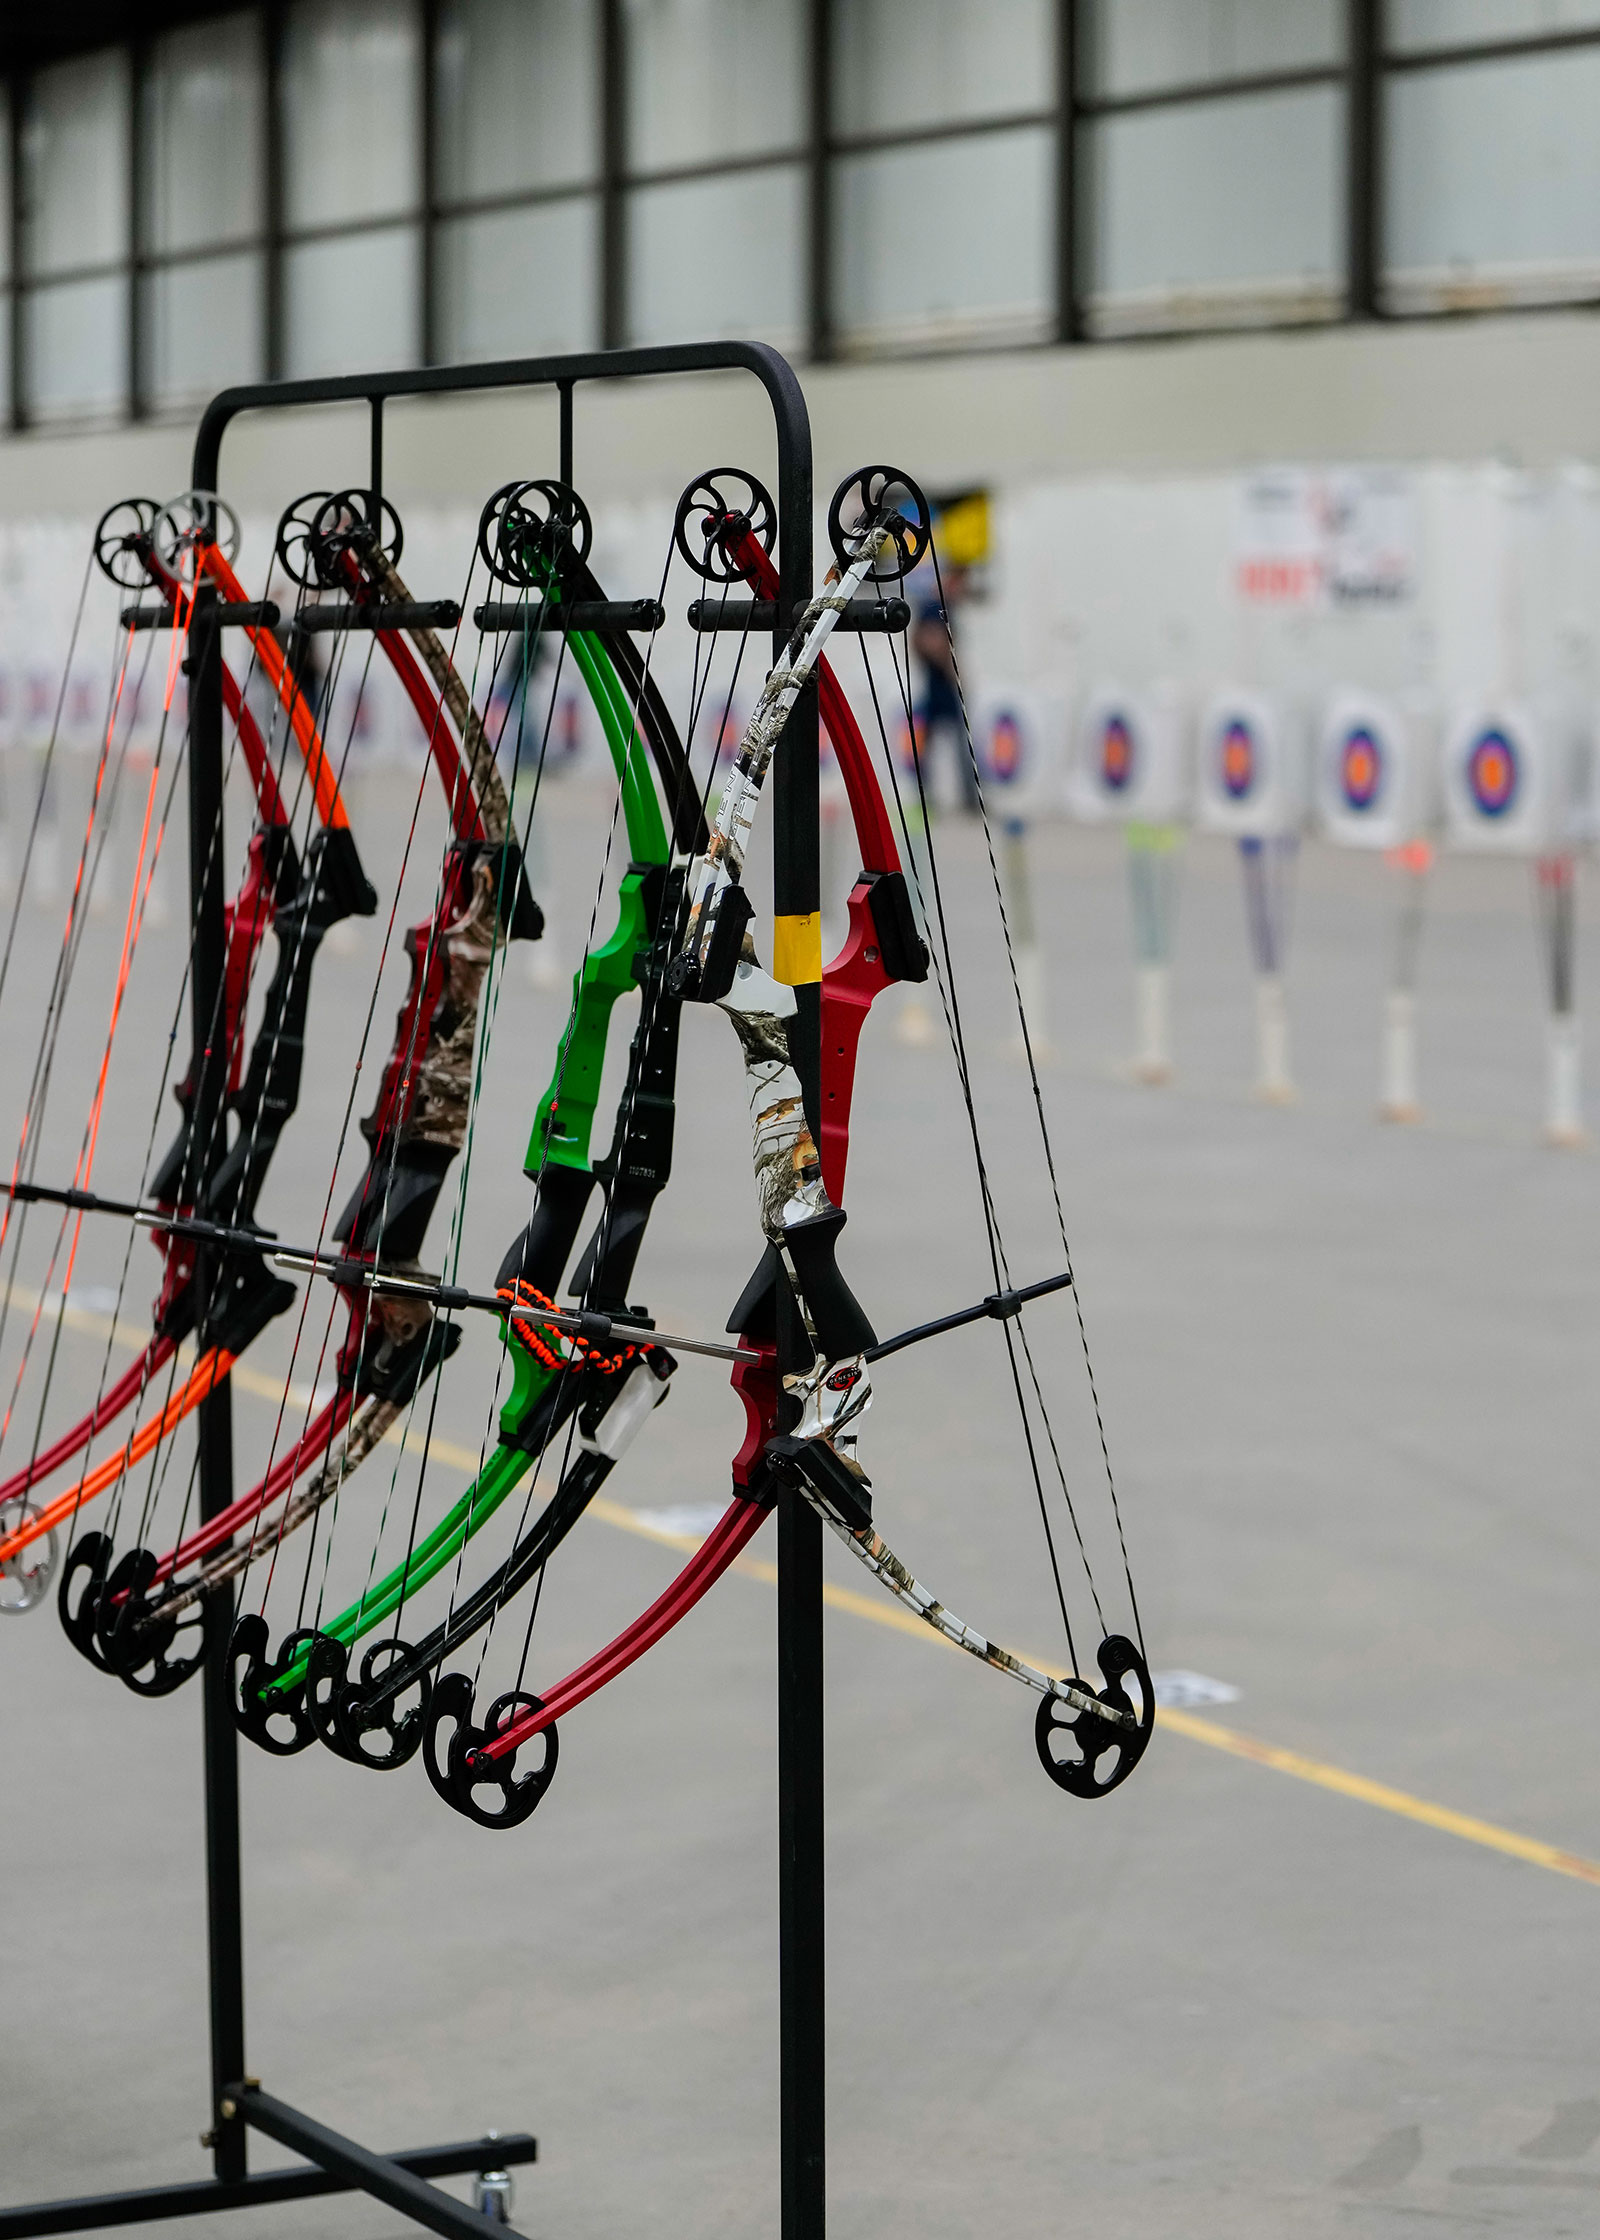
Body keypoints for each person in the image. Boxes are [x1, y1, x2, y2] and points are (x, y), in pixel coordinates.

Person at [910, 565, 979, 813]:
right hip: (937, 686)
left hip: (944, 686)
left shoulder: (948, 609)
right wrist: (948, 667)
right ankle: (926, 796)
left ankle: (967, 797)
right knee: (933, 745)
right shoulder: (933, 608)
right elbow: (926, 641)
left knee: (960, 744)